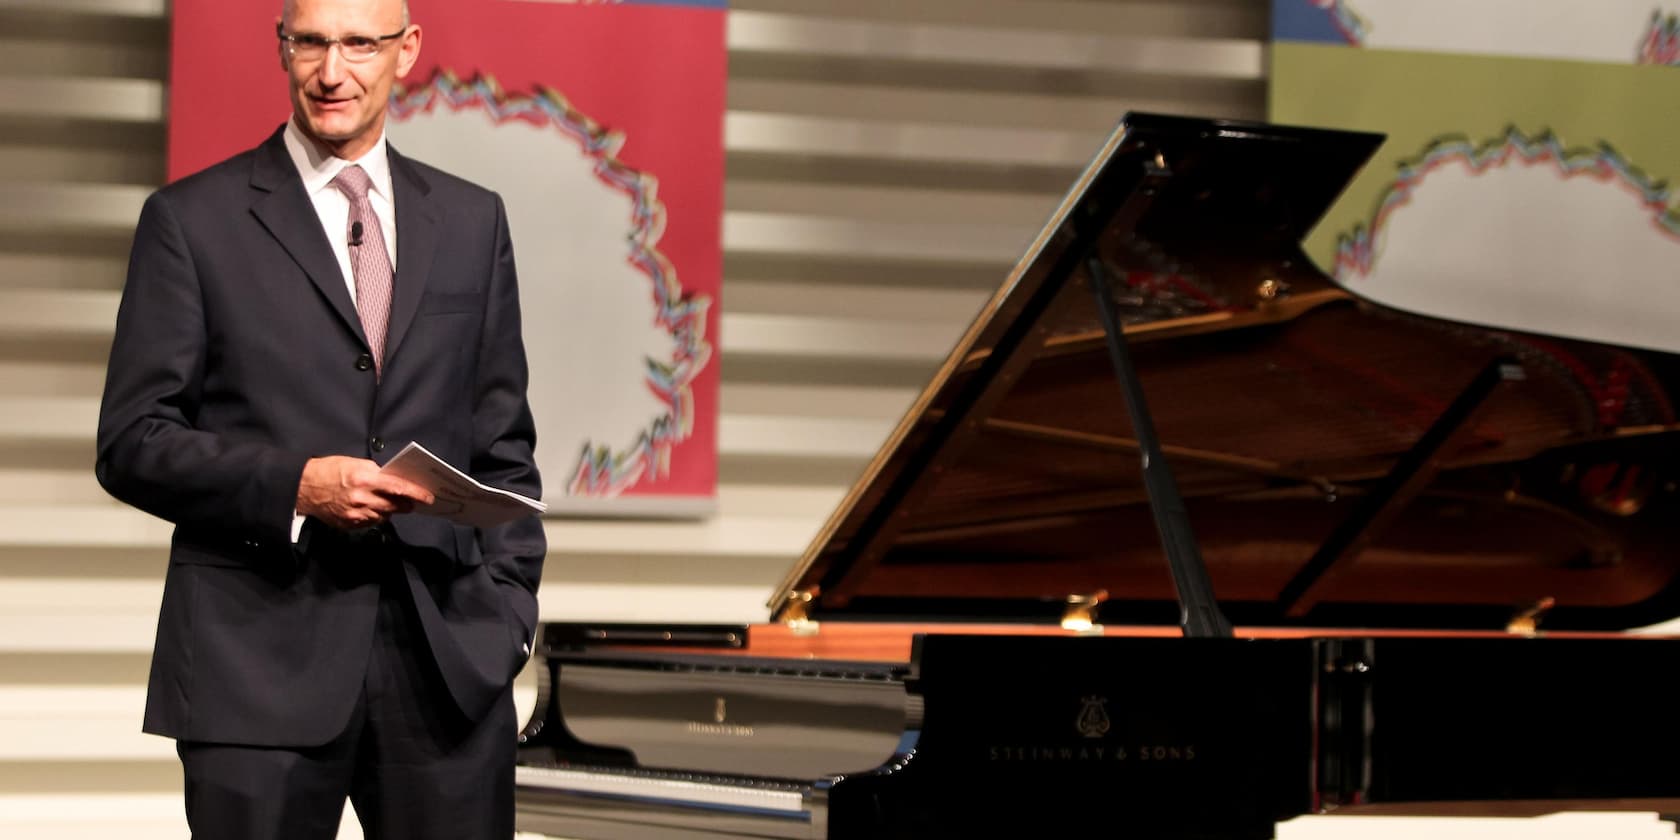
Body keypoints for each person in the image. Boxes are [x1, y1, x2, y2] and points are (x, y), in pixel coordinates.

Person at [93, 0, 545, 836]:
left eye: (359, 45)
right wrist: (293, 486)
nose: (331, 72)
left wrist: (508, 614)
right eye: (310, 43)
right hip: (255, 667)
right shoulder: (192, 221)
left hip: (446, 669)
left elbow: (502, 443)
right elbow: (132, 440)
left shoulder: (473, 221)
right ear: (282, 46)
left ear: (407, 50)